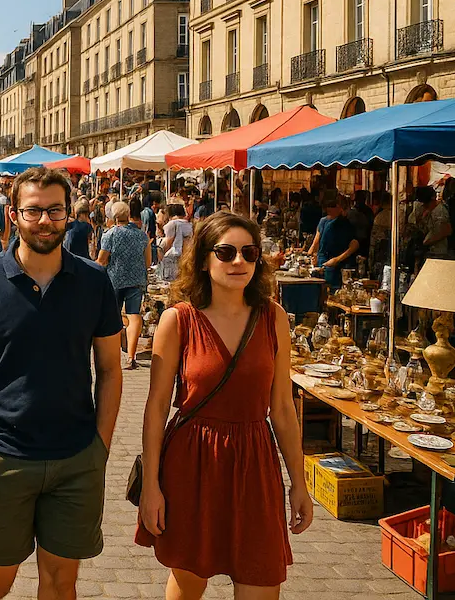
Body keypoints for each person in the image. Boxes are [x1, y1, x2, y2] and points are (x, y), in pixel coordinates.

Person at [0, 167, 123, 600]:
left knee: (62, 581)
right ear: (14, 216)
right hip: (5, 454)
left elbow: (111, 368)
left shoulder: (94, 281)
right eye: (34, 211)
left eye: (55, 210)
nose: (45, 220)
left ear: (69, 215)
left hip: (76, 456)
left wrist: (101, 444)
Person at [136, 211, 311, 597]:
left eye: (249, 253)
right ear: (202, 259)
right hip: (193, 460)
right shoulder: (178, 320)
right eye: (226, 252)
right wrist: (151, 486)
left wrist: (299, 483)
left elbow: (282, 408)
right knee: (188, 581)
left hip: (255, 461)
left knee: (261, 578)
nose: (239, 262)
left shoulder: (273, 317)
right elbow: (156, 409)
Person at [98, 201, 152, 370]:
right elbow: (148, 262)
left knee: (113, 315)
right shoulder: (142, 235)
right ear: (128, 215)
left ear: (114, 217)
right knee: (134, 315)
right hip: (136, 280)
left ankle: (111, 354)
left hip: (115, 279)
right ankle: (131, 356)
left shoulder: (110, 234)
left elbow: (102, 260)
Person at [307, 195, 359, 289]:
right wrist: (309, 257)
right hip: (321, 263)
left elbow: (355, 245)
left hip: (336, 266)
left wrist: (337, 259)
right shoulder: (323, 221)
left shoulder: (346, 223)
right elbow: (316, 242)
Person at [160, 203, 193, 282]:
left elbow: (168, 242)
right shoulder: (189, 225)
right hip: (185, 256)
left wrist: (160, 253)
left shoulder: (172, 224)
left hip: (172, 256)